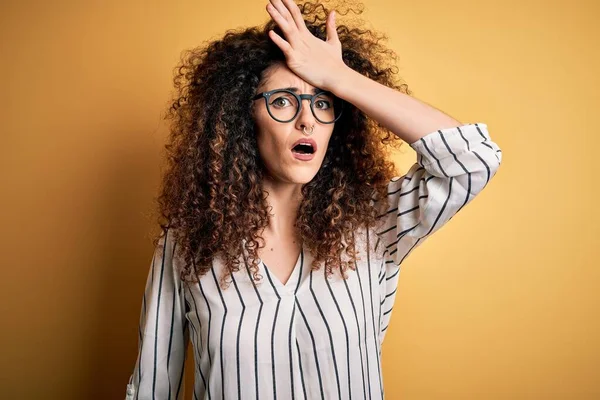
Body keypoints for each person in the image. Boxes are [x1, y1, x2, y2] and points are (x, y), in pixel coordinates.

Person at [125, 0, 503, 399]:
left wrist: (341, 79)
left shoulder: (374, 225)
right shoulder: (188, 244)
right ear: (240, 118)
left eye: (322, 102)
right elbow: (151, 388)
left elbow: (473, 160)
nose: (307, 119)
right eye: (283, 101)